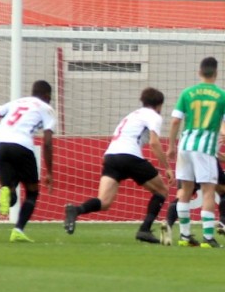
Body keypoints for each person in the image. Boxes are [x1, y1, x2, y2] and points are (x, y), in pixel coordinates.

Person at [63, 87, 173, 243]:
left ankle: (76, 209)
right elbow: (155, 143)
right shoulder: (153, 115)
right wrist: (167, 167)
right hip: (129, 156)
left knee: (104, 202)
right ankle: (144, 230)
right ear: (159, 105)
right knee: (162, 190)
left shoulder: (132, 115)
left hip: (111, 156)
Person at [167, 57, 225, 248]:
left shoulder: (187, 93)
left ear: (199, 72)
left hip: (185, 146)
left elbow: (174, 121)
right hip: (205, 148)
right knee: (208, 191)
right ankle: (207, 237)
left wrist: (171, 146)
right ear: (216, 73)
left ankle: (185, 236)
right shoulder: (222, 96)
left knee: (186, 191)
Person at [0, 80, 55, 242]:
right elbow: (48, 143)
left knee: (11, 193)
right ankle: (18, 230)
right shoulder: (47, 109)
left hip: (0, 144)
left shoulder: (16, 102)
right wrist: (50, 172)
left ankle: (7, 189)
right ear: (47, 96)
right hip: (22, 145)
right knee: (32, 192)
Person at [165, 97, 225, 244]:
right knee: (219, 192)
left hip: (186, 152)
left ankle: (170, 225)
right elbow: (224, 130)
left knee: (184, 193)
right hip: (205, 157)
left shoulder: (194, 119)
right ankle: (217, 228)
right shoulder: (218, 116)